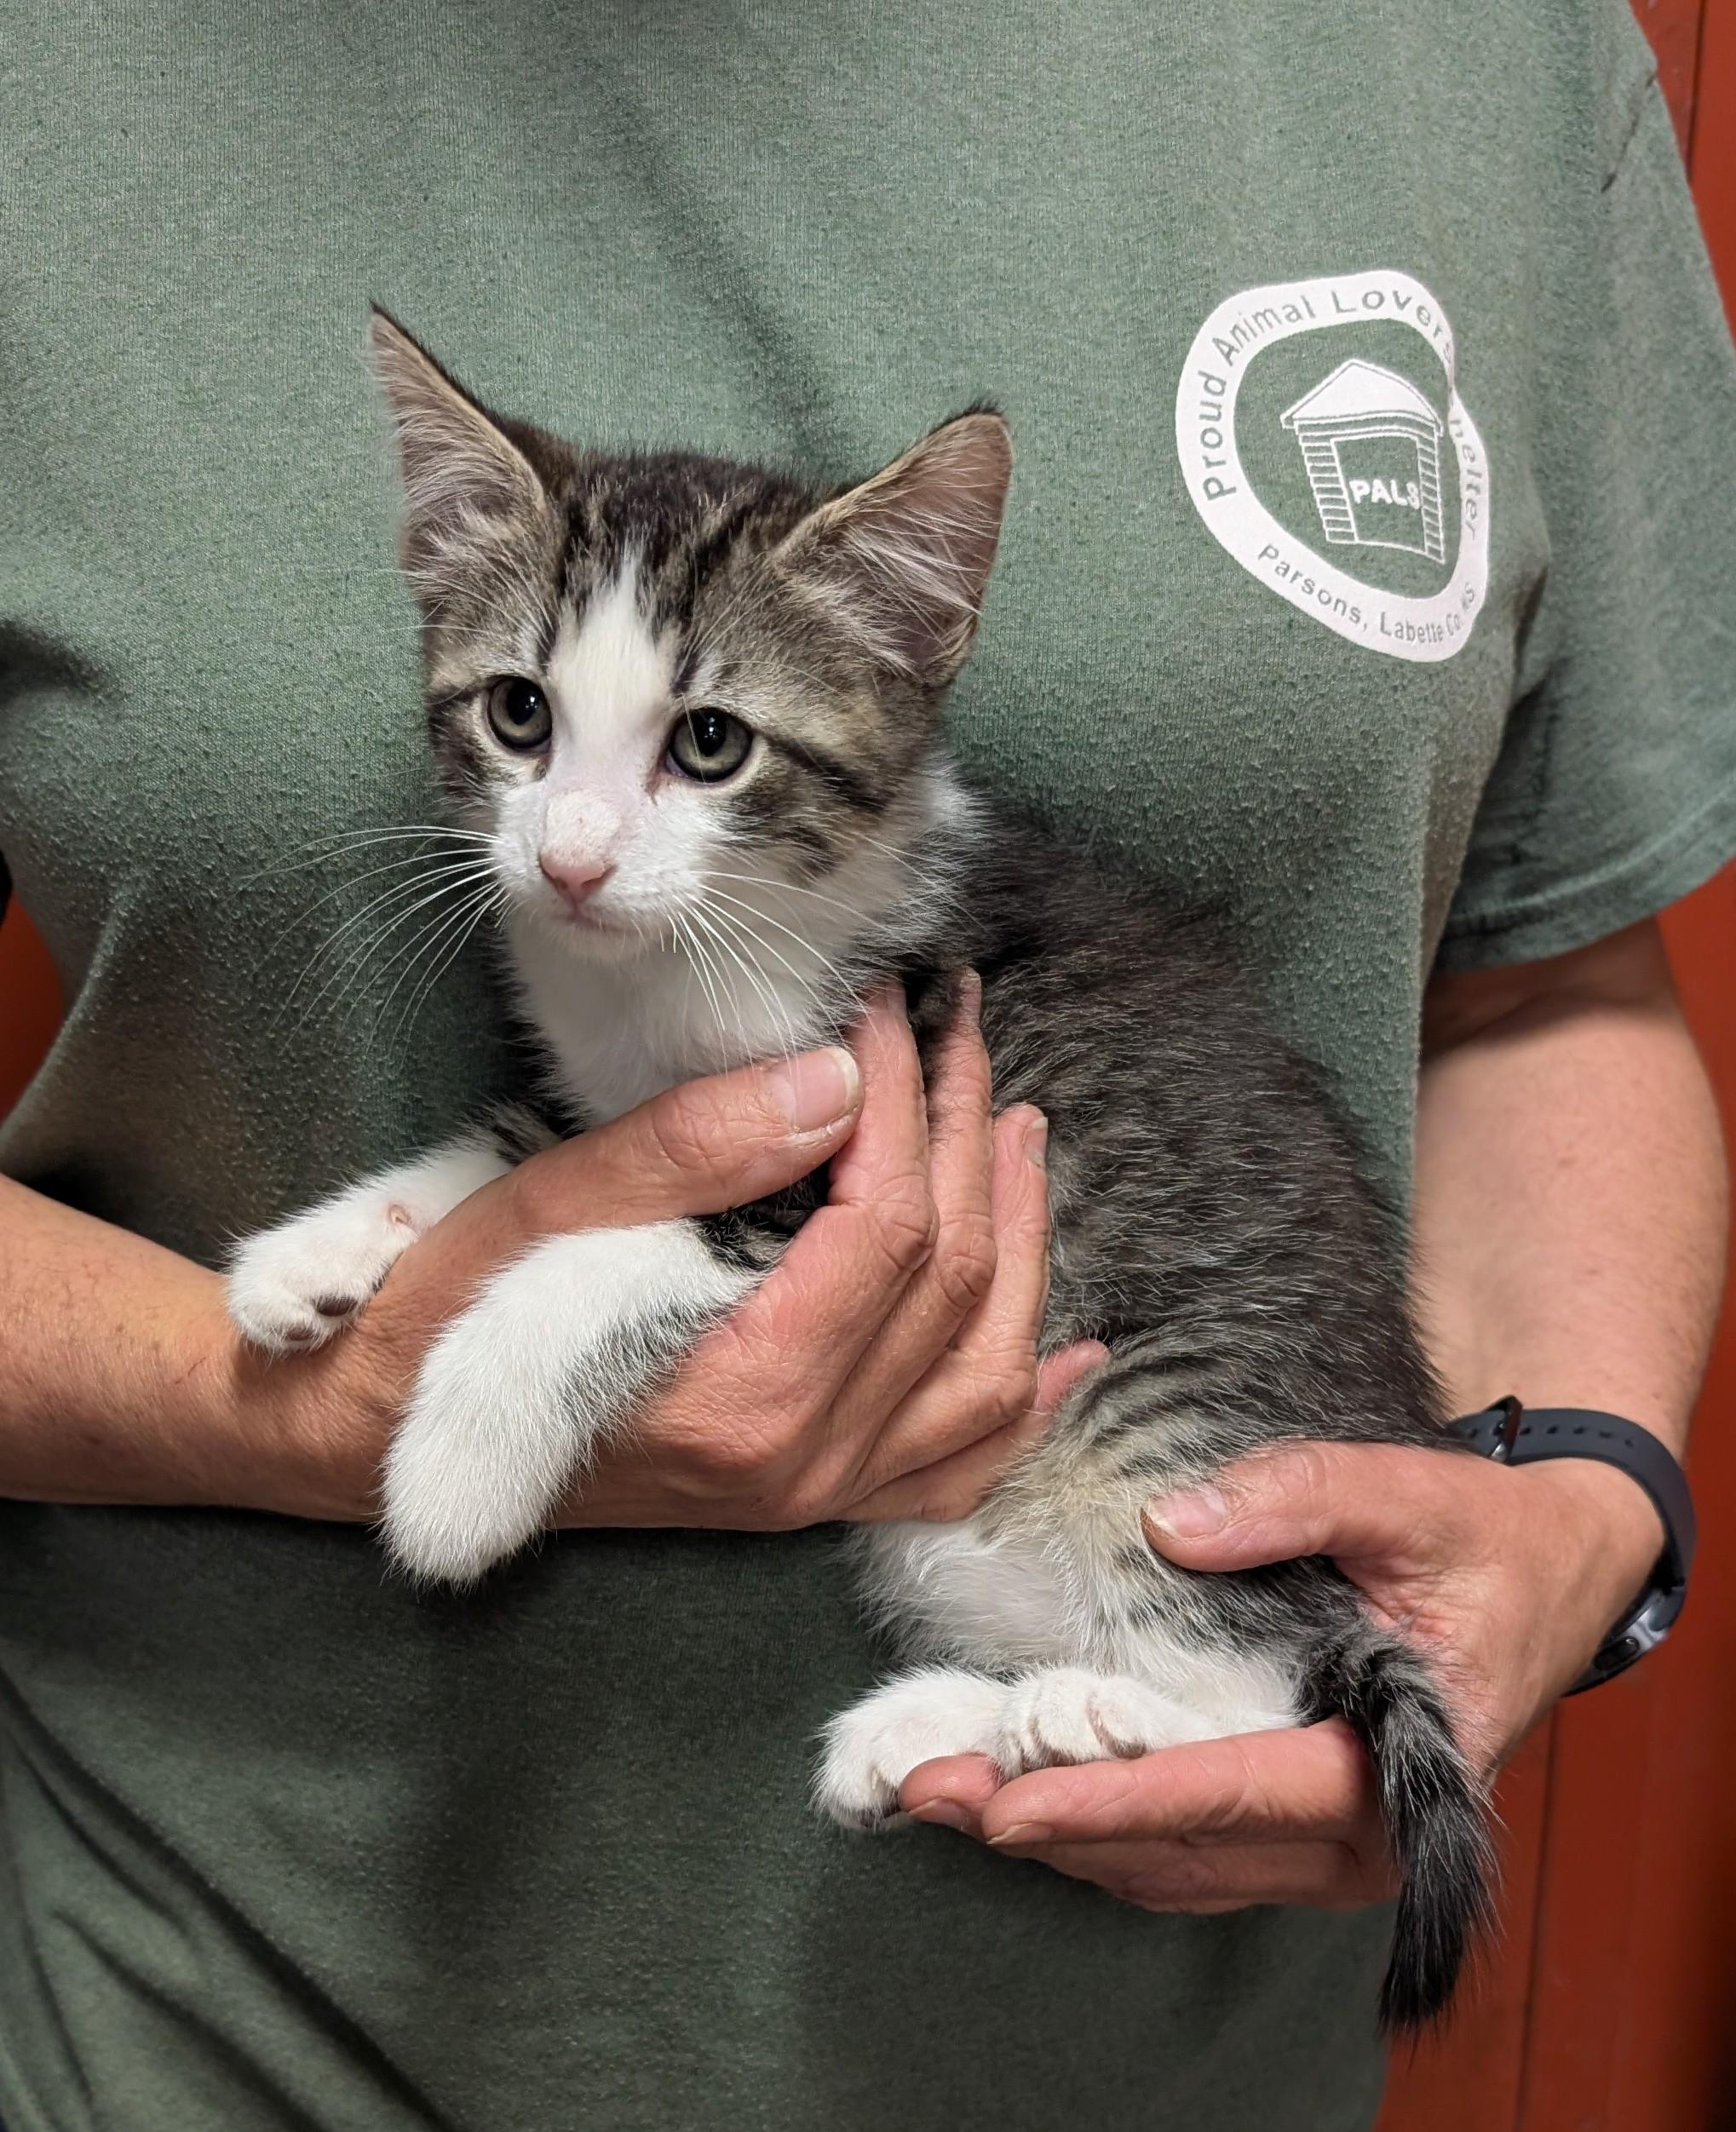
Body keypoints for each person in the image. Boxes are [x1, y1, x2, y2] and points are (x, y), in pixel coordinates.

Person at [1, 1, 1732, 2125]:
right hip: (209, 2009)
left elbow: (1551, 981)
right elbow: (656, 1158)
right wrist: (291, 1393)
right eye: (522, 722)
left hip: (1146, 2033)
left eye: (700, 748)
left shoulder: (1484, 63)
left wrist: (1582, 1506)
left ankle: (1163, 1677)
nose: (574, 842)